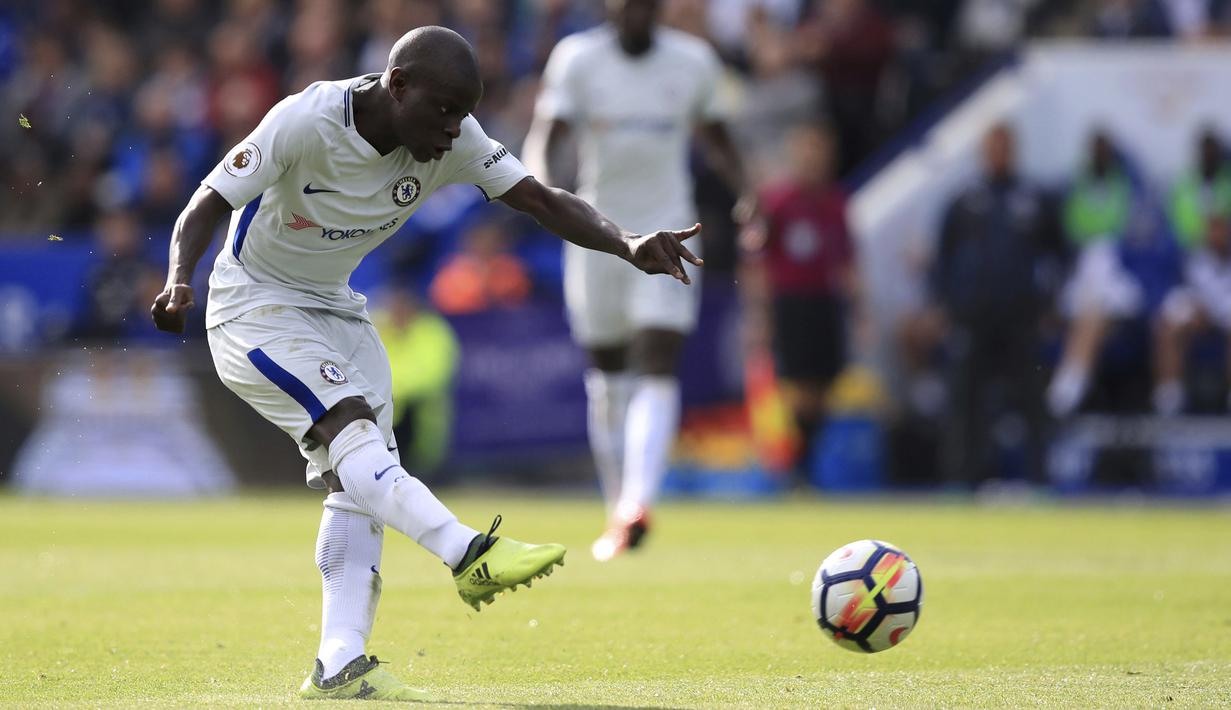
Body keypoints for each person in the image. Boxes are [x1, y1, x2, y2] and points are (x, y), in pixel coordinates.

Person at [150, 26, 703, 702]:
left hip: (336, 308)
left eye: (463, 112)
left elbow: (540, 199)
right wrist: (180, 276)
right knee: (347, 427)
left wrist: (625, 242)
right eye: (443, 109)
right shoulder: (307, 119)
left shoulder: (454, 137)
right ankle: (467, 551)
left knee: (359, 484)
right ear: (398, 84)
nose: (452, 129)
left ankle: (339, 664)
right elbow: (206, 201)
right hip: (253, 306)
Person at [523, 0, 752, 562]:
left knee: (657, 357)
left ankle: (637, 503)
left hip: (670, 227)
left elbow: (718, 136)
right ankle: (618, 510)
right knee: (608, 376)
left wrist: (751, 196)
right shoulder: (577, 59)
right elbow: (543, 140)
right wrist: (546, 198)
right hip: (597, 233)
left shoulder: (694, 61)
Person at [926, 123, 1060, 487]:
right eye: (993, 145)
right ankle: (962, 480)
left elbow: (1057, 253)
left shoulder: (1033, 197)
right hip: (972, 317)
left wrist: (1050, 303)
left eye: (1005, 145)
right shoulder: (965, 199)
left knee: (1032, 399)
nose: (999, 152)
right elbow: (944, 257)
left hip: (1021, 317)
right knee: (964, 402)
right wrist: (942, 304)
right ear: (983, 152)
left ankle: (1040, 478)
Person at [741, 122, 858, 476]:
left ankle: (804, 463)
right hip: (790, 301)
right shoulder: (778, 202)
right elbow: (755, 260)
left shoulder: (835, 202)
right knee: (797, 386)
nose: (813, 160)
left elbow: (847, 259)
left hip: (825, 301)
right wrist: (759, 313)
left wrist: (860, 310)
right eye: (807, 151)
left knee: (825, 384)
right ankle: (795, 466)